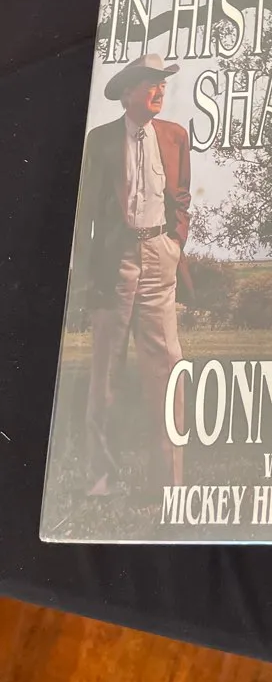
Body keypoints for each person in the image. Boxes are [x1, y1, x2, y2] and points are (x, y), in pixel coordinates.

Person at [72, 53, 192, 499]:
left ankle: (170, 484)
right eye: (150, 84)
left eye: (162, 84)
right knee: (106, 372)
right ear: (127, 93)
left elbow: (181, 197)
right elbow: (85, 213)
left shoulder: (175, 136)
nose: (159, 91)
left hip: (160, 256)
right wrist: (86, 276)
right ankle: (101, 480)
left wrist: (175, 243)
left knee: (168, 368)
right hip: (114, 261)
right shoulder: (100, 140)